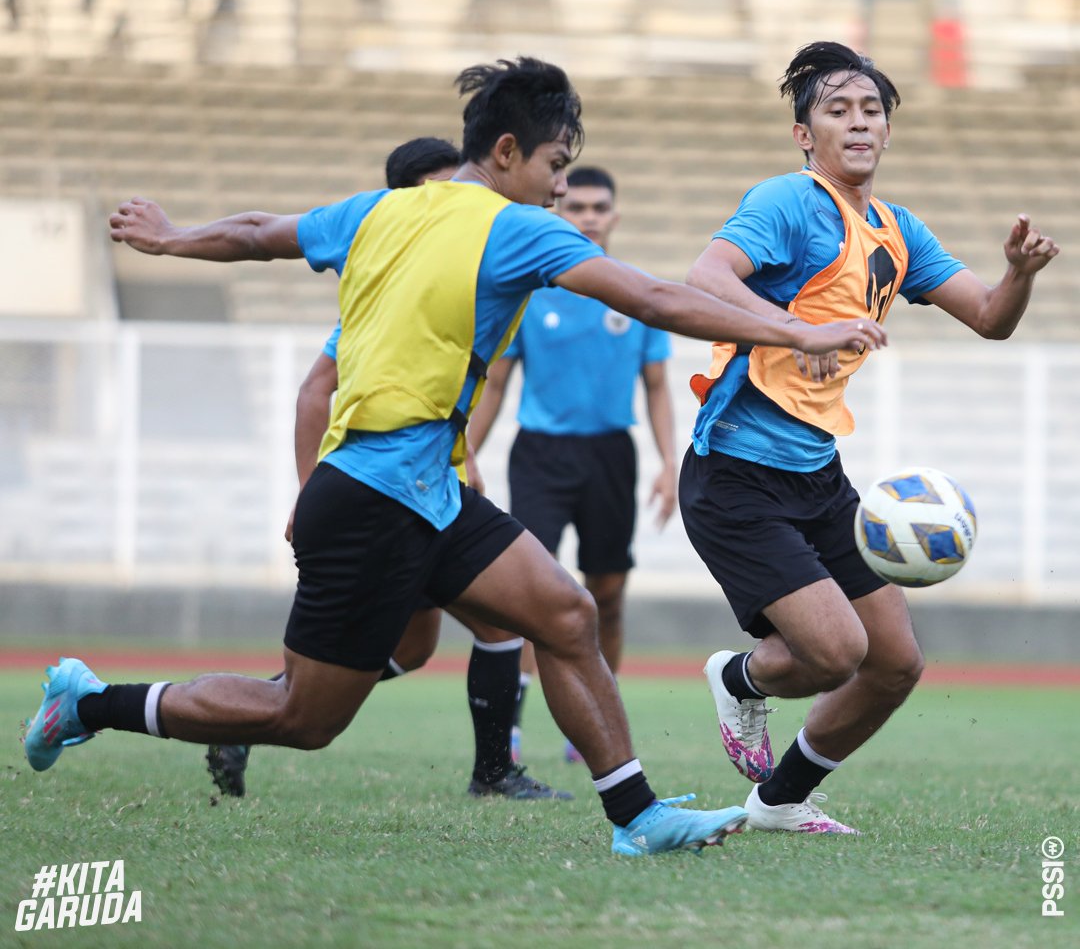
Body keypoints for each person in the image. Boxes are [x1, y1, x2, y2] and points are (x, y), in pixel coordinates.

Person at [26, 56, 883, 858]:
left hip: (430, 488)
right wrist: (802, 330)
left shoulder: (378, 208)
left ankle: (638, 817)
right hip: (369, 492)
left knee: (566, 613)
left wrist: (173, 238)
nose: (561, 185)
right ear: (506, 153)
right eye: (555, 164)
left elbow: (258, 230)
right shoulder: (514, 231)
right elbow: (659, 297)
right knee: (302, 715)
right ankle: (89, 704)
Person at [680, 41, 1060, 834]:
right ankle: (742, 679)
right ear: (804, 134)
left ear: (887, 130)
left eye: (872, 109)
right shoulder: (788, 200)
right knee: (834, 653)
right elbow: (705, 281)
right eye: (837, 109)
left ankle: (780, 804)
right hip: (737, 475)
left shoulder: (897, 230)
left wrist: (1019, 273)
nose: (858, 122)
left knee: (894, 664)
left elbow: (990, 318)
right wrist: (800, 331)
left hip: (818, 475)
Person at [208, 136, 571, 803]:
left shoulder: (465, 267)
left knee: (419, 643)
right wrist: (311, 486)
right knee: (500, 626)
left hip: (431, 486)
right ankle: (493, 772)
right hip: (388, 496)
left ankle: (251, 718)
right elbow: (317, 389)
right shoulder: (388, 295)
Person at [469, 166, 676, 765]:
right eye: (577, 206)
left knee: (607, 594)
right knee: (531, 591)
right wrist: (465, 452)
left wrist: (669, 463)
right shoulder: (532, 292)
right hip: (541, 454)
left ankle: (590, 725)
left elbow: (658, 385)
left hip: (612, 454)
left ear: (614, 215)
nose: (588, 215)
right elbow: (498, 380)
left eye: (599, 207)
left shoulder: (636, 292)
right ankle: (508, 725)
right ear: (562, 213)